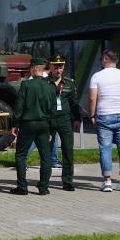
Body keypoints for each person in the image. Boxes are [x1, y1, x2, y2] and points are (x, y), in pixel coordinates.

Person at [87, 49, 120, 192]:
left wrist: (91, 115)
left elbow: (92, 98)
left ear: (105, 59)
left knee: (105, 148)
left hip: (104, 115)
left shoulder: (97, 76)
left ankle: (107, 181)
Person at [10, 60, 56, 195]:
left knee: (21, 155)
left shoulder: (26, 85)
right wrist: (52, 128)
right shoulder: (51, 86)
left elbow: (19, 106)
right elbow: (54, 109)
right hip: (44, 124)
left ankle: (22, 187)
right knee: (46, 156)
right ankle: (43, 187)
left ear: (34, 69)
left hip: (28, 123)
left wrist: (15, 124)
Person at [48, 53, 82, 191]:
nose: (58, 70)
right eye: (55, 67)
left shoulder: (69, 83)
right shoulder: (45, 83)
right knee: (47, 151)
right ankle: (45, 181)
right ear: (50, 67)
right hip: (49, 120)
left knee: (68, 150)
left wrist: (78, 118)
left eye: (60, 67)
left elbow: (74, 103)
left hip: (65, 120)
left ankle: (67, 181)